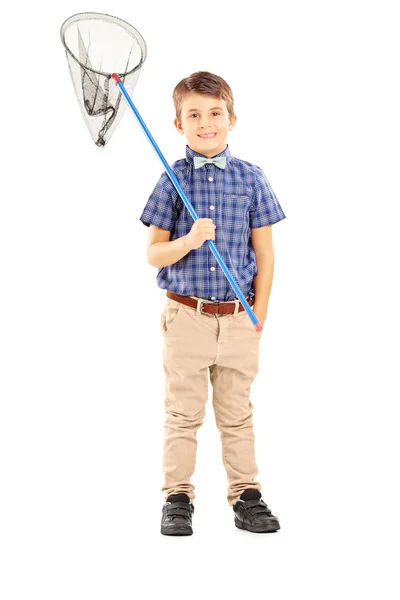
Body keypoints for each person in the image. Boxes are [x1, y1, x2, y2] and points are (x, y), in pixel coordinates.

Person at [139, 71, 286, 535]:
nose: (206, 123)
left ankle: (247, 496)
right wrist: (188, 240)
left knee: (237, 413)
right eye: (194, 115)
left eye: (215, 113)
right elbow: (153, 254)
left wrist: (258, 312)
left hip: (239, 317)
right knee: (183, 413)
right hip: (188, 317)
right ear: (178, 124)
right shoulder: (171, 179)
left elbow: (264, 252)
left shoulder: (252, 178)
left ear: (232, 118)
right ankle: (177, 497)